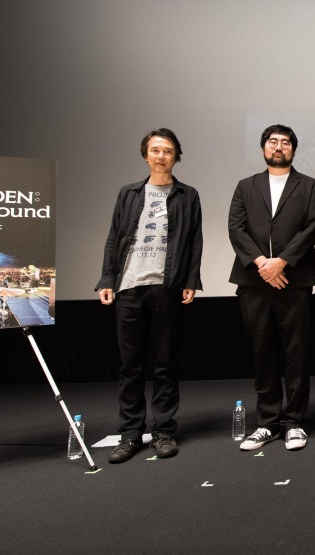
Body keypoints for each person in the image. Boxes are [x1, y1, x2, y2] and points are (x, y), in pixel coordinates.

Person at [96, 128, 203, 463]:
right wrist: (107, 278)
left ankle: (164, 431)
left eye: (168, 150)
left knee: (165, 363)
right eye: (155, 150)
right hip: (128, 286)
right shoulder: (129, 193)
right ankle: (130, 434)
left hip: (166, 286)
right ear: (146, 155)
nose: (161, 156)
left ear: (176, 156)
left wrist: (191, 279)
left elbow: (195, 241)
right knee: (130, 366)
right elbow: (114, 237)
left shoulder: (187, 194)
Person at [229, 124, 315, 451]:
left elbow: (312, 227)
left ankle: (294, 422)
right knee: (262, 351)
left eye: (285, 142)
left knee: (295, 352)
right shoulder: (246, 186)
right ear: (263, 149)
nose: (279, 147)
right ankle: (267, 423)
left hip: (294, 280)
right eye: (273, 142)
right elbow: (236, 228)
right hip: (253, 282)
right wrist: (262, 264)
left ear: (293, 150)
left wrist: (281, 262)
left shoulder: (309, 185)